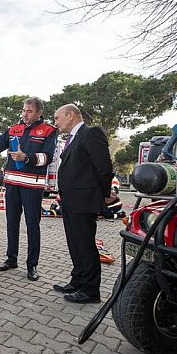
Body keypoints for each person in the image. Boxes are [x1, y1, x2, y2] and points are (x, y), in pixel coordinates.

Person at [0, 97, 57, 281]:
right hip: (12, 185)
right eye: (23, 110)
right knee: (11, 223)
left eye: (29, 111)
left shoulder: (49, 131)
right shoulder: (14, 129)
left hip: (32, 186)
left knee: (32, 226)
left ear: (39, 113)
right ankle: (11, 259)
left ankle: (32, 266)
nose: (24, 114)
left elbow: (47, 157)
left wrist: (26, 157)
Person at [52, 104, 113, 304]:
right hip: (70, 200)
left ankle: (90, 290)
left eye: (58, 117)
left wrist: (103, 196)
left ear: (71, 115)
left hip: (84, 200)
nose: (56, 122)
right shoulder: (72, 139)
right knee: (75, 243)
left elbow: (104, 168)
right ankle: (77, 280)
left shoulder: (90, 133)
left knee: (85, 245)